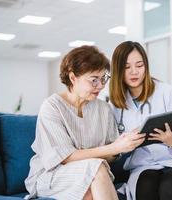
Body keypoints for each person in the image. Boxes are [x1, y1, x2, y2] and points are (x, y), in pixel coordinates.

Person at [24, 45, 145, 200]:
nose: (100, 86)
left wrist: (119, 147)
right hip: (52, 175)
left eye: (103, 79)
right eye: (94, 80)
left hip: (90, 173)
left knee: (90, 191)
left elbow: (110, 154)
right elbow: (64, 157)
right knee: (96, 168)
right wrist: (112, 148)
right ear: (73, 78)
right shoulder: (52, 106)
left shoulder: (103, 109)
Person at [109, 41, 172, 200]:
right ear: (118, 70)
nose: (134, 72)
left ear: (146, 66)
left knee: (171, 184)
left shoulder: (166, 91)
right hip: (144, 163)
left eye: (139, 65)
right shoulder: (115, 105)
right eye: (127, 67)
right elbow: (114, 146)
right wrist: (125, 143)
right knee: (146, 185)